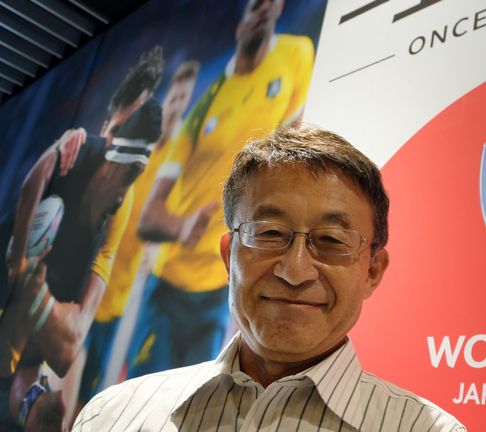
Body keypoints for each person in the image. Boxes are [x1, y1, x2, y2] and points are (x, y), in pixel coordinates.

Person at [73, 125, 466, 431]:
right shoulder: (112, 417)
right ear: (230, 256)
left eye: (330, 240)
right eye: (269, 233)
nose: (294, 271)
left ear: (372, 271)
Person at [127, 0, 314, 378]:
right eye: (255, 5)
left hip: (224, 290)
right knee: (149, 402)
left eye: (271, 4)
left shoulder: (297, 55)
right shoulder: (207, 103)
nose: (264, 10)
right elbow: (149, 218)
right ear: (239, 23)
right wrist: (182, 227)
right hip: (168, 287)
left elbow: (298, 152)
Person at [0, 47, 164, 431]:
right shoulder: (72, 153)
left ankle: (34, 407)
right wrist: (19, 259)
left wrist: (35, 290)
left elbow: (67, 349)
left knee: (38, 365)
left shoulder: (119, 208)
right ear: (110, 124)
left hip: (30, 333)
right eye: (127, 125)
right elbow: (32, 183)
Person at [77, 60, 199, 409]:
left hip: (121, 295)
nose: (177, 102)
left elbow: (164, 221)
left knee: (94, 390)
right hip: (90, 276)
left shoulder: (177, 162)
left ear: (188, 101)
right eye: (174, 95)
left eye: (183, 98)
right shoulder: (140, 146)